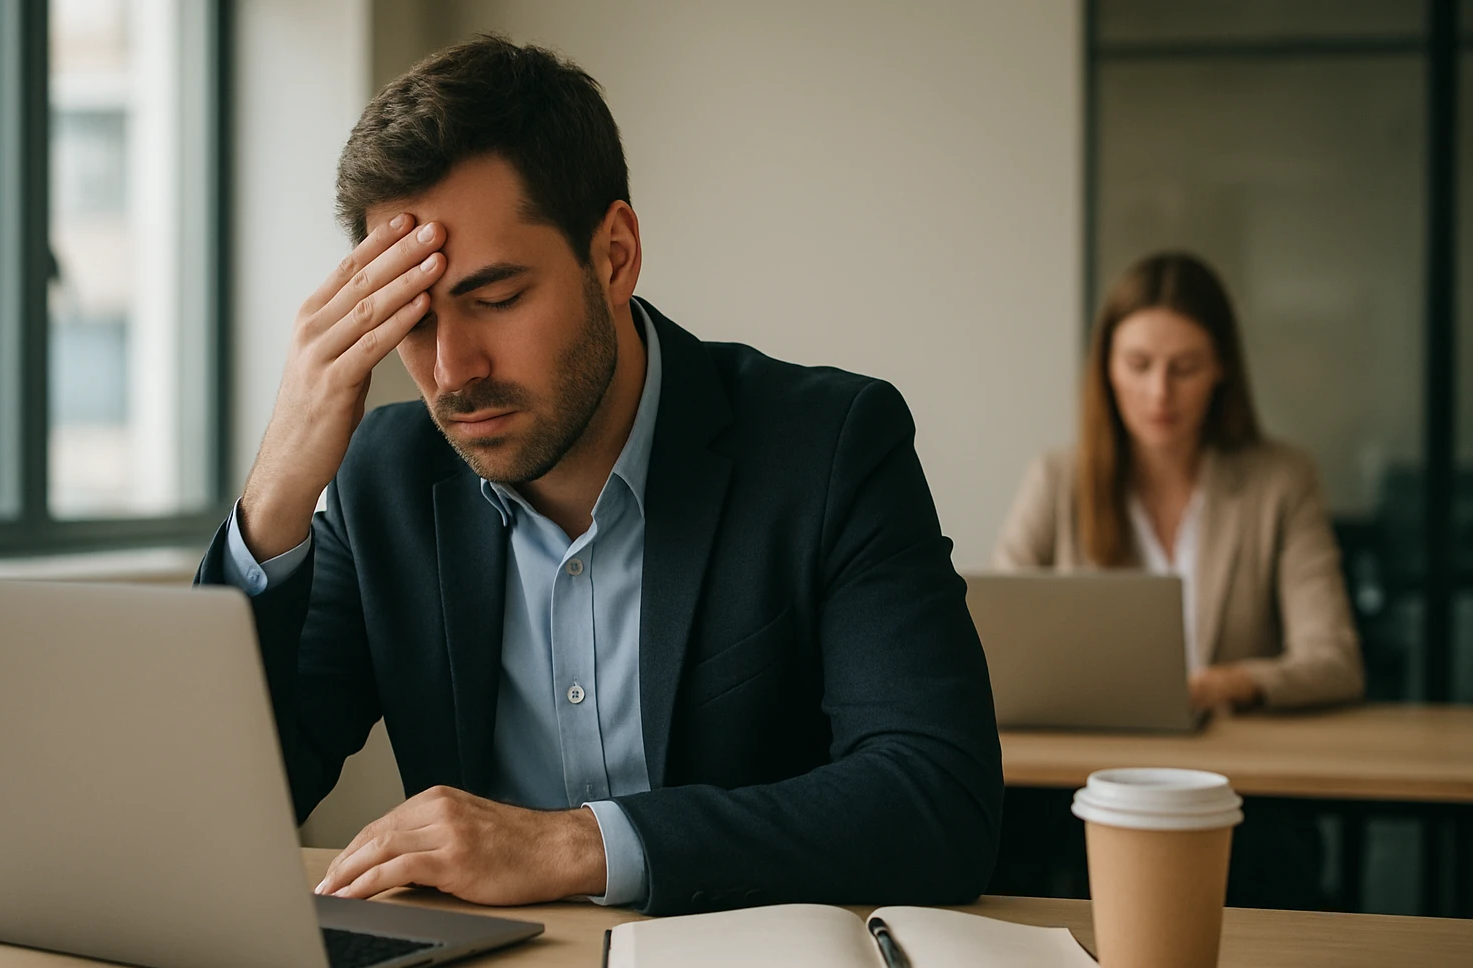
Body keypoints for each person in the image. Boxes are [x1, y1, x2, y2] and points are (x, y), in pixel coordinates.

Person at [194, 37, 1002, 917]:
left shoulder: (830, 446)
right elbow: (211, 812)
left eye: (496, 299)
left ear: (614, 254)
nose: (452, 368)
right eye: (411, 318)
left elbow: (936, 800)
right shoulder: (378, 482)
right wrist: (276, 492)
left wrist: (573, 844)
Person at [990, 251, 1364, 907]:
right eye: (1138, 365)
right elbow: (991, 645)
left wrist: (1223, 683)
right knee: (998, 845)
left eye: (1184, 368)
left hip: (1234, 786)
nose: (1160, 393)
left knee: (1271, 863)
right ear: (1106, 366)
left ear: (1221, 368)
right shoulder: (1058, 480)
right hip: (1081, 782)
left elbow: (1333, 658)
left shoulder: (1281, 481)